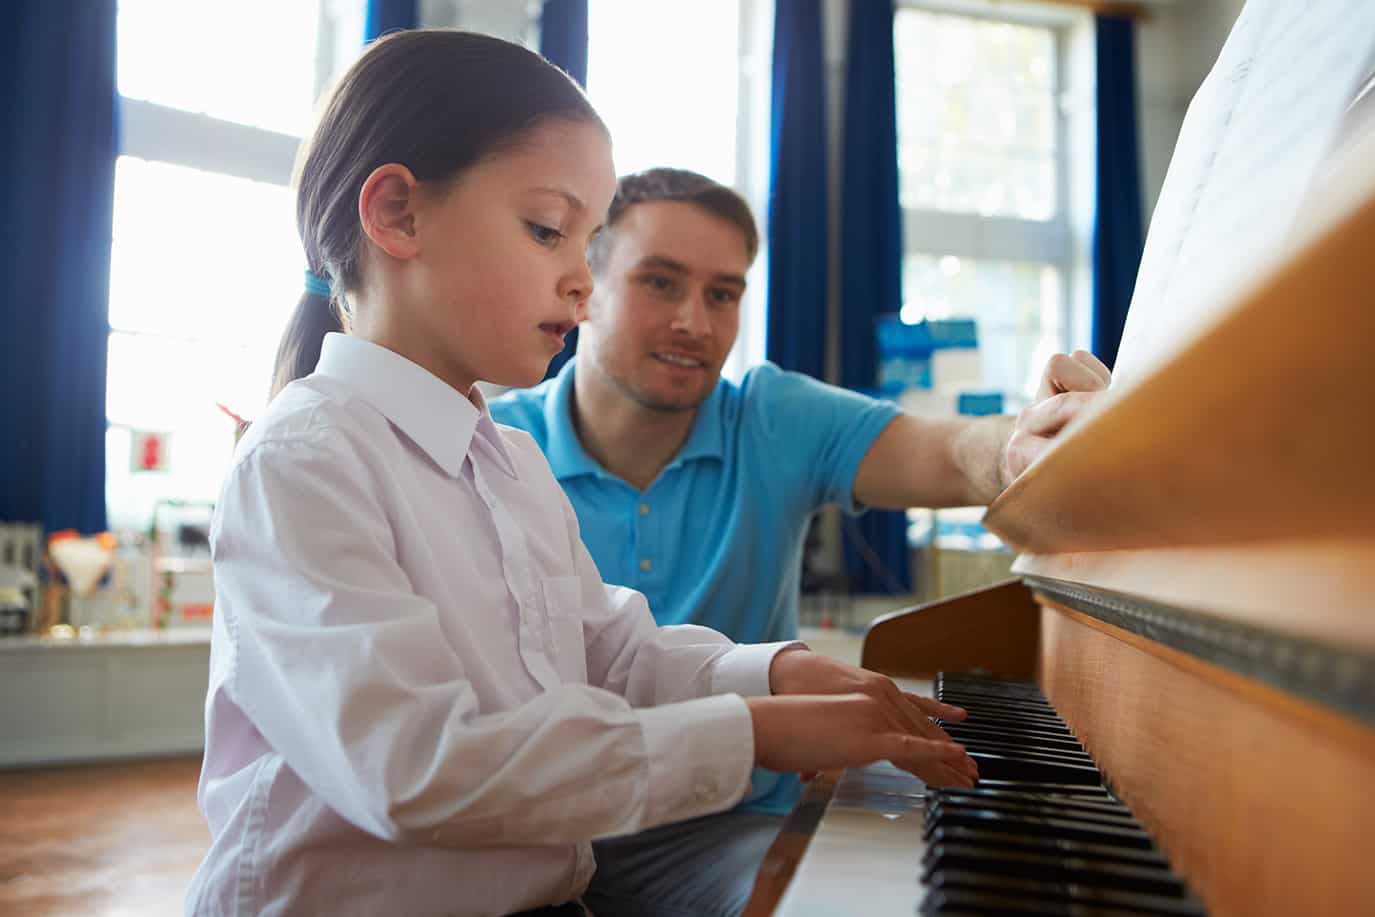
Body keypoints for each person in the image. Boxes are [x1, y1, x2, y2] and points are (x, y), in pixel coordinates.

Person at [190, 30, 978, 917]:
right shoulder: (303, 460)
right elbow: (416, 768)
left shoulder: (508, 459)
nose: (581, 282)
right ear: (399, 214)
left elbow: (613, 651)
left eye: (589, 240)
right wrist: (753, 730)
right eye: (547, 231)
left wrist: (777, 673)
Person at [490, 167, 1111, 915]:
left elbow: (947, 449)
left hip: (720, 831)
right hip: (532, 831)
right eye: (659, 283)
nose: (695, 321)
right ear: (585, 285)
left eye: (722, 294)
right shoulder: (497, 446)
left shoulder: (770, 414)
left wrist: (1020, 445)